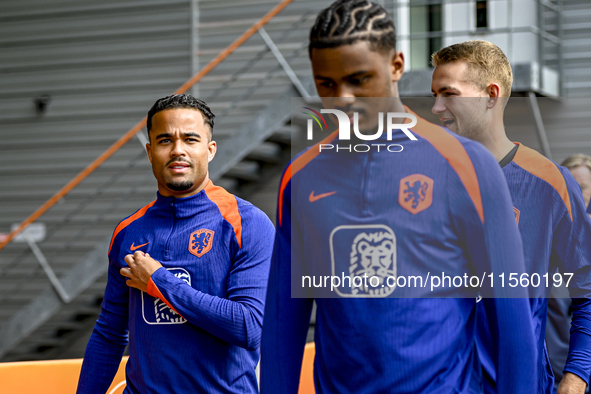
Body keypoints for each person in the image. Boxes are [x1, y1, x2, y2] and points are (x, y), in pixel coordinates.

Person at [261, 1, 537, 393]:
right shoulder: (301, 176)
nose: (343, 99)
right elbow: (281, 327)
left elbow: (512, 325)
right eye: (326, 84)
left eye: (359, 79)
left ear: (396, 65)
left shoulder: (468, 165)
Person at [76, 94, 274, 393]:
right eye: (165, 140)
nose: (177, 150)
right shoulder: (128, 231)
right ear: (150, 150)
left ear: (210, 150)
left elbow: (249, 327)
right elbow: (109, 333)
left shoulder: (247, 223)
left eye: (190, 139)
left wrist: (159, 281)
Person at [431, 40, 591, 394]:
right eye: (434, 94)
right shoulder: (420, 178)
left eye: (448, 94)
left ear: (491, 95)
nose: (436, 107)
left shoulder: (549, 182)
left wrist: (577, 375)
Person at [546, 153, 591, 390]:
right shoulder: (546, 238)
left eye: (582, 187)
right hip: (553, 373)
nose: (575, 195)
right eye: (569, 187)